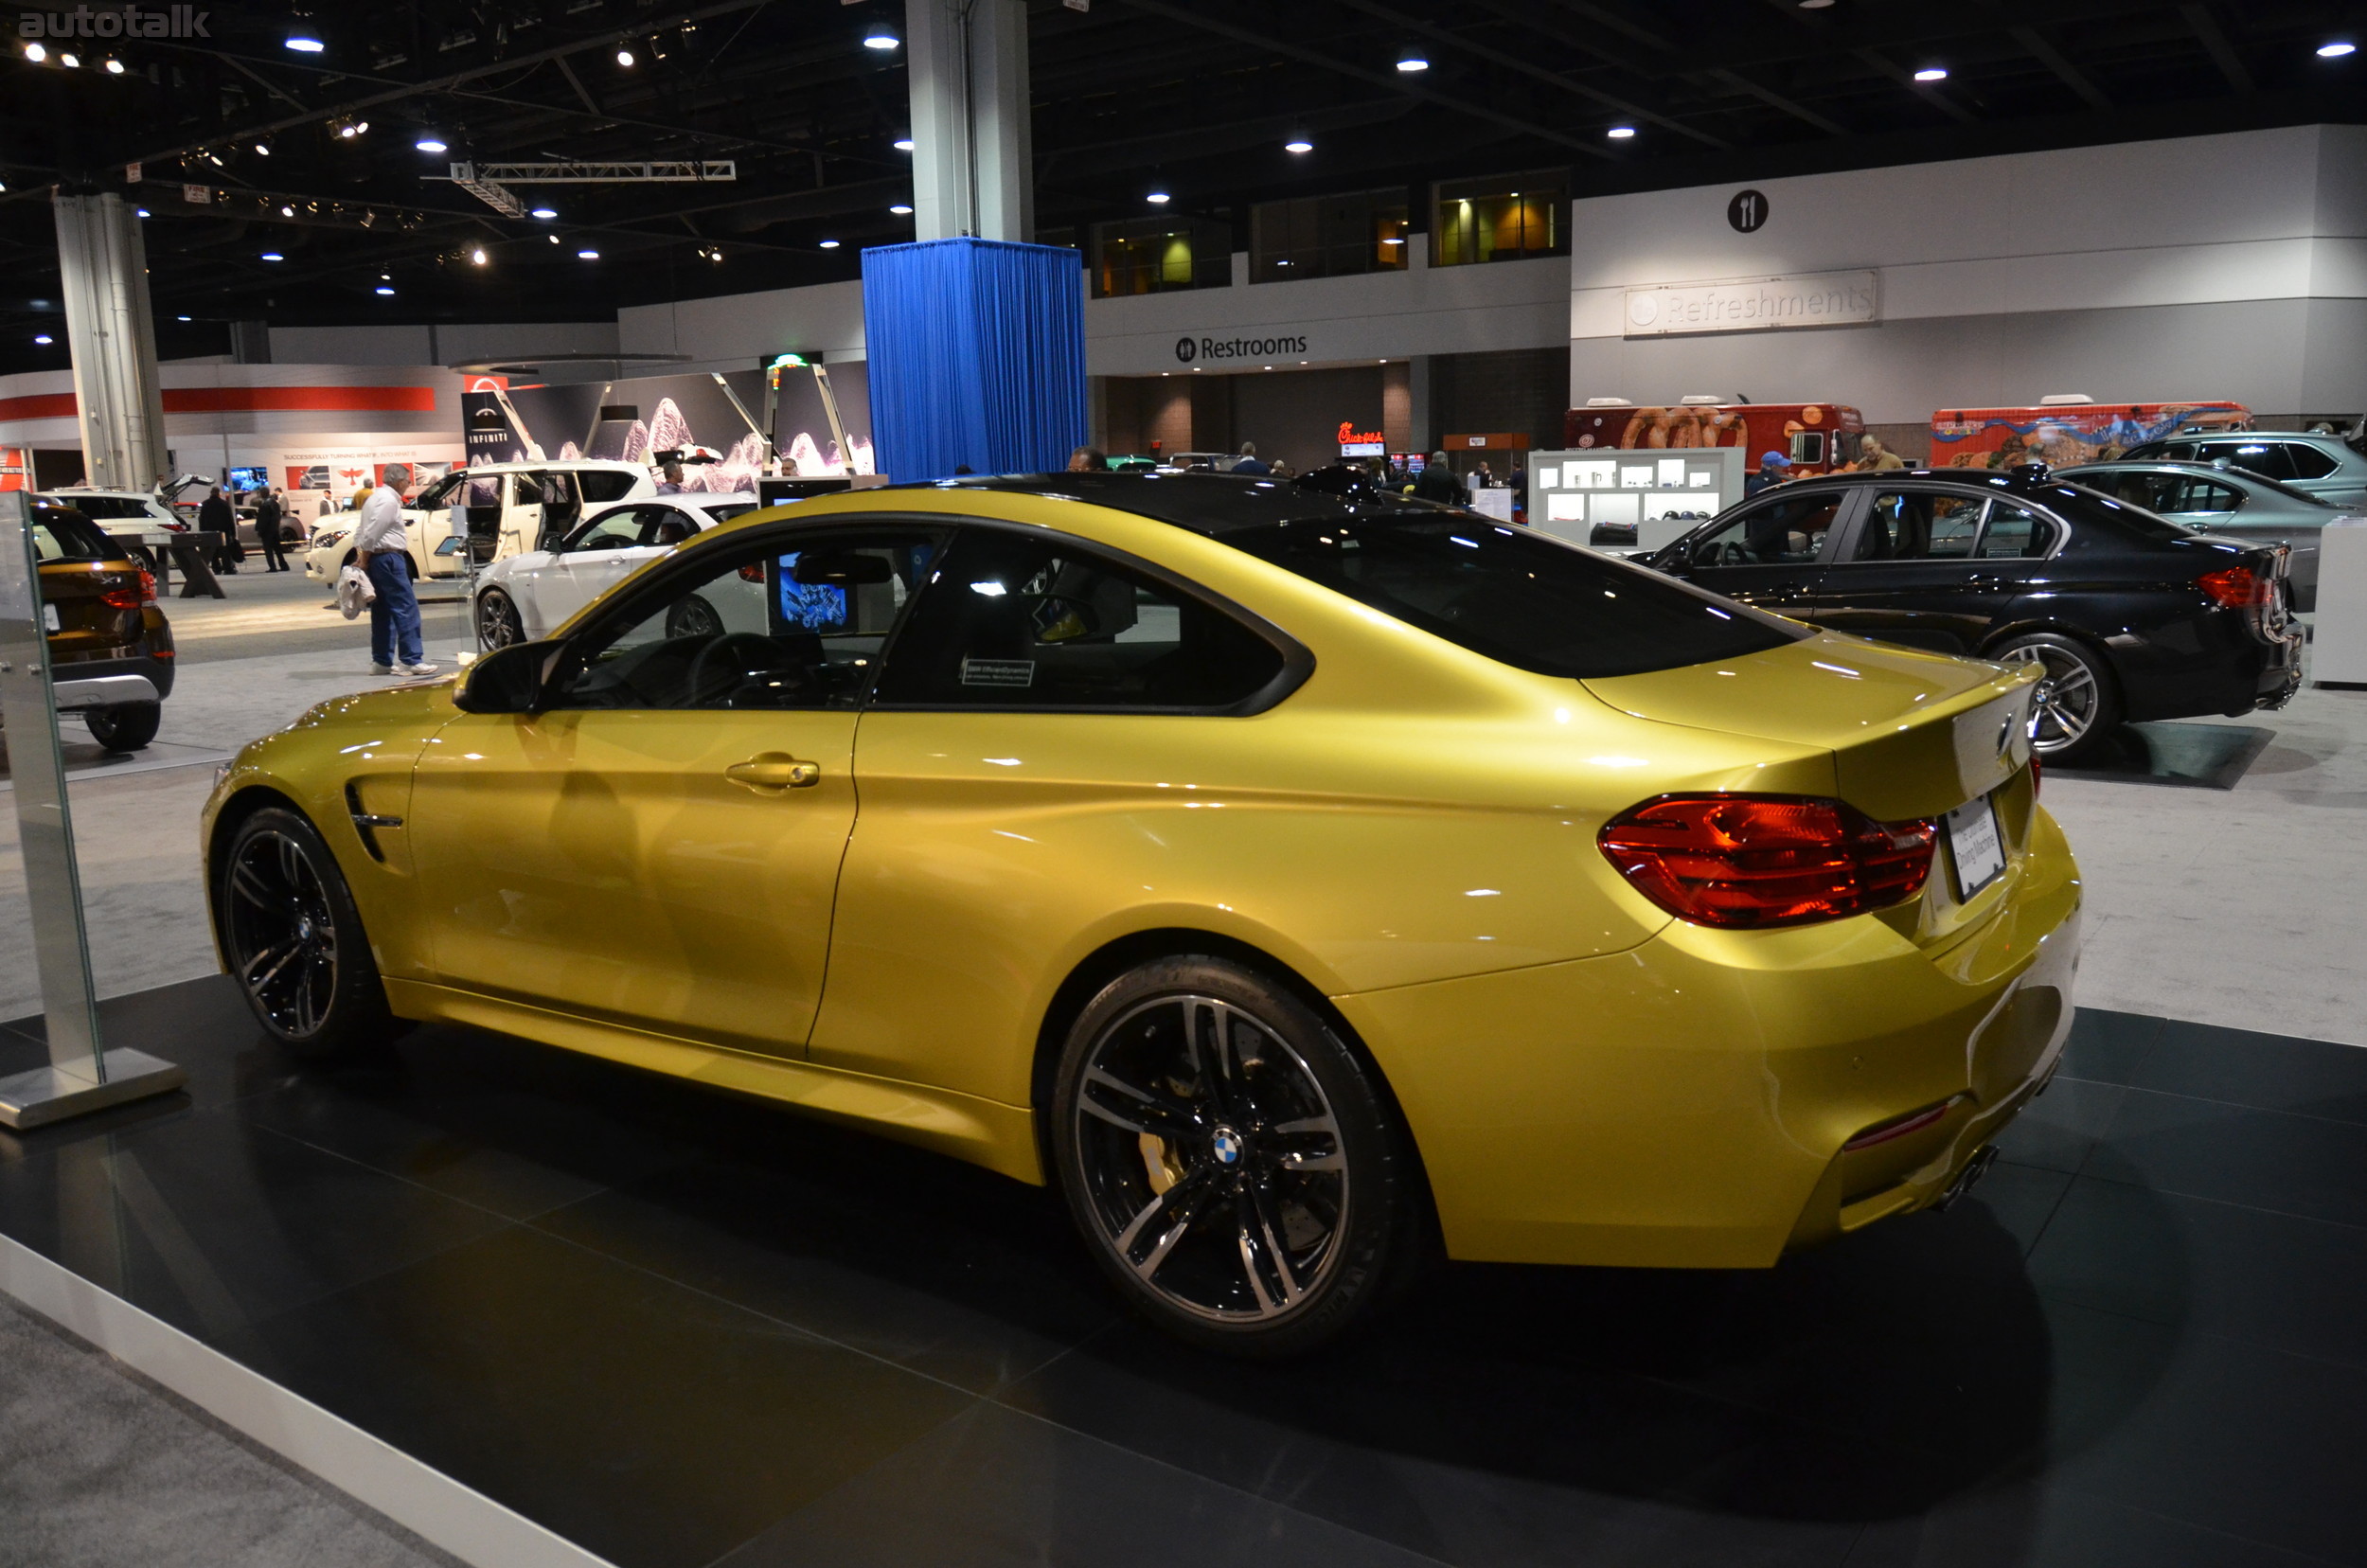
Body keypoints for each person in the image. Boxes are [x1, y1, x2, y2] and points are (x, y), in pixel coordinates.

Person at [351, 481, 436, 676]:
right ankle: (411, 659)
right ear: (400, 482)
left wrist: (361, 554)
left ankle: (381, 661)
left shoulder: (373, 498)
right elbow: (372, 532)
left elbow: (361, 530)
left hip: (378, 558)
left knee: (382, 611)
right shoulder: (388, 501)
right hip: (389, 558)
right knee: (406, 607)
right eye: (407, 480)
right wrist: (364, 559)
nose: (409, 484)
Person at [198, 485, 240, 572]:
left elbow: (201, 519)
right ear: (219, 494)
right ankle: (228, 568)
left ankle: (216, 568)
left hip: (209, 531)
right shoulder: (224, 504)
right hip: (223, 531)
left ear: (211, 493)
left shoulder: (205, 504)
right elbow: (229, 519)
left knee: (213, 551)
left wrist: (202, 530)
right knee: (225, 550)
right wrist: (233, 532)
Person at [254, 487, 287, 572]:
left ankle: (272, 567)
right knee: (277, 549)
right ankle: (284, 565)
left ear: (262, 493)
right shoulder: (274, 503)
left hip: (267, 531)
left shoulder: (265, 505)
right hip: (274, 529)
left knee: (268, 550)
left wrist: (260, 530)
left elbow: (263, 519)